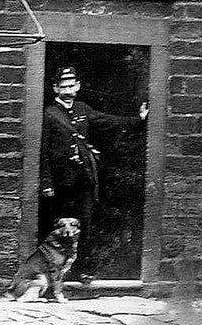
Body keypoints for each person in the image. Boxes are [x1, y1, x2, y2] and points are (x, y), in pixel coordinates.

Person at [40, 65, 147, 281]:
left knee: (85, 226)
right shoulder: (49, 114)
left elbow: (109, 122)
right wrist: (46, 183)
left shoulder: (82, 109)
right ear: (55, 88)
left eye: (72, 86)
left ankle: (81, 271)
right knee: (57, 229)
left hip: (84, 181)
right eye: (64, 86)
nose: (68, 90)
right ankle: (53, 274)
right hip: (61, 184)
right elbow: (43, 152)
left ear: (78, 86)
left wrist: (139, 120)